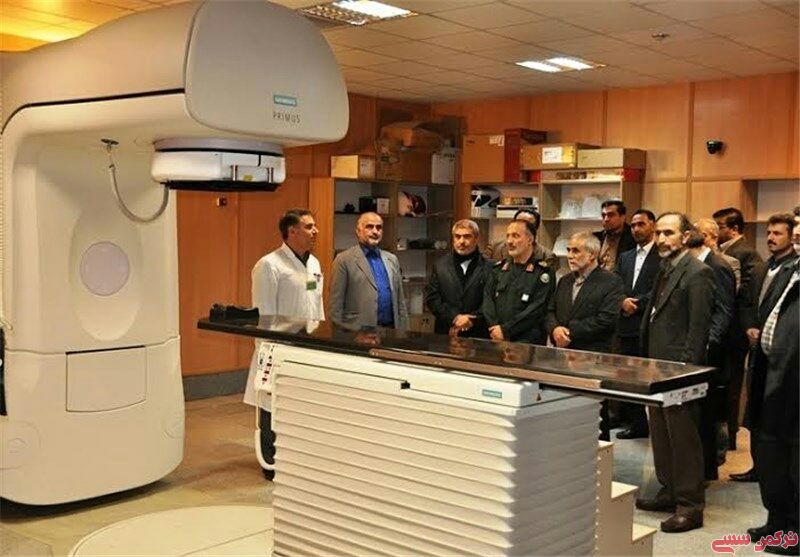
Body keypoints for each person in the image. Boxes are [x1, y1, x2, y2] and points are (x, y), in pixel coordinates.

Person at [635, 212, 714, 534]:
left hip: (679, 372)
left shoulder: (698, 273)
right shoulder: (665, 268)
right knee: (661, 435)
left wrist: (687, 374)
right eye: (659, 233)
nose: (662, 239)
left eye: (669, 233)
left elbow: (698, 330)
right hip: (657, 367)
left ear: (685, 236)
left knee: (683, 440)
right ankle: (669, 491)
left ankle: (690, 506)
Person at [244, 209, 324, 480]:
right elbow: (263, 312)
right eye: (309, 227)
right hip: (277, 345)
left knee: (298, 404)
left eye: (315, 226)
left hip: (307, 343)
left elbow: (316, 304)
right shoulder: (269, 265)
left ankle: (296, 459)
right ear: (292, 231)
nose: (315, 231)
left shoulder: (314, 263)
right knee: (271, 405)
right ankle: (270, 462)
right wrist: (266, 352)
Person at [745, 215, 800, 554]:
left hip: (795, 382)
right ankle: (777, 521)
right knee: (772, 456)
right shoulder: (789, 270)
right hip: (772, 375)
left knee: (795, 460)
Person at [733, 213, 798, 483]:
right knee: (756, 411)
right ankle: (758, 467)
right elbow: (746, 303)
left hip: (784, 355)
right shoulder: (762, 267)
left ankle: (773, 471)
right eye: (769, 233)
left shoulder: (792, 269)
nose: (771, 238)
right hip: (757, 350)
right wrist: (749, 326)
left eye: (778, 233)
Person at [546, 231, 624, 440]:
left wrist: (570, 332)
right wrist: (555, 329)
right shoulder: (564, 281)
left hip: (593, 357)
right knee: (565, 412)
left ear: (591, 255)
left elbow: (606, 320)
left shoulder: (611, 282)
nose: (570, 255)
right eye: (568, 250)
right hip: (563, 357)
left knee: (594, 414)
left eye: (576, 251)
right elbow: (550, 311)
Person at [686, 230, 736, 481]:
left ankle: (708, 468)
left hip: (711, 354)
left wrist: (708, 343)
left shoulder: (718, 266)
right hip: (695, 349)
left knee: (708, 414)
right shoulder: (698, 265)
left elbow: (724, 310)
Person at [713, 206, 764, 453]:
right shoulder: (723, 251)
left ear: (734, 229)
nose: (716, 231)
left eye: (720, 226)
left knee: (732, 386)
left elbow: (747, 294)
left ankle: (731, 435)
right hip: (725, 329)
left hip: (734, 331)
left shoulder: (746, 253)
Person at [615, 209, 660, 440]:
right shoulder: (625, 256)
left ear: (653, 225)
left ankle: (648, 423)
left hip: (648, 323)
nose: (636, 229)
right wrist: (622, 300)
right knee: (628, 375)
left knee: (647, 377)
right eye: (633, 225)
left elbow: (660, 289)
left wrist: (637, 303)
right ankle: (633, 421)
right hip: (626, 324)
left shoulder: (662, 255)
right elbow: (615, 283)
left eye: (641, 224)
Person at [329, 212, 408, 329]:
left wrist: (404, 331)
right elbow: (336, 307)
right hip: (358, 332)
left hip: (391, 330)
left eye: (379, 227)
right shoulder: (343, 260)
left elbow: (400, 302)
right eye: (369, 227)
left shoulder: (392, 259)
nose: (375, 231)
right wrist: (340, 335)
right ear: (358, 231)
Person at [483, 218, 555, 344]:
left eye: (515, 236)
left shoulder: (543, 273)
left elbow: (536, 309)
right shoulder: (498, 269)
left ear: (530, 240)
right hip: (496, 338)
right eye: (508, 236)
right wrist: (494, 328)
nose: (509, 241)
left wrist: (506, 330)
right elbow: (488, 300)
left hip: (527, 341)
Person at [425, 219, 492, 338]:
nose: (462, 241)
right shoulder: (439, 266)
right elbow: (432, 299)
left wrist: (471, 319)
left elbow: (491, 301)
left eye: (467, 236)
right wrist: (455, 318)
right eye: (457, 236)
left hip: (478, 334)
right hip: (446, 333)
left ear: (476, 239)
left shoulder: (491, 267)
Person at [483, 208, 558, 268]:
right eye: (518, 223)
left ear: (534, 230)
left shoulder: (546, 256)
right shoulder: (495, 248)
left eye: (527, 226)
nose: (521, 227)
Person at [695, 218, 742, 291]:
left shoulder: (729, 262)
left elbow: (730, 292)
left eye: (703, 235)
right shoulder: (691, 261)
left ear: (715, 238)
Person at [594, 200, 636, 272]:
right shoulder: (596, 237)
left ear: (622, 217)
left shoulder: (633, 237)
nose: (606, 219)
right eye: (603, 215)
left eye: (610, 215)